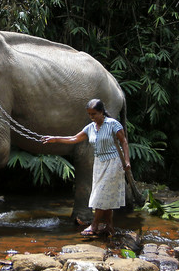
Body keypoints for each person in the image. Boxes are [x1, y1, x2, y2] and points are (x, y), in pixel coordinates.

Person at [41, 99, 131, 236]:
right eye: (89, 114)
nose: (92, 117)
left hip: (113, 162)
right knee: (105, 196)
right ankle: (109, 226)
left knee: (101, 194)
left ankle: (94, 226)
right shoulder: (90, 128)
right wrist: (55, 138)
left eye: (94, 114)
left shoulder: (113, 124)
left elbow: (124, 142)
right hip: (99, 163)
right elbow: (73, 139)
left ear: (101, 112)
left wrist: (126, 160)